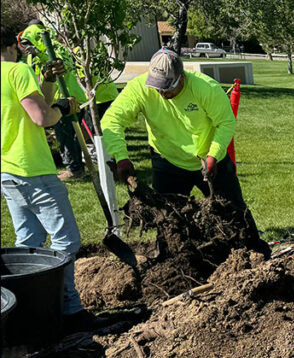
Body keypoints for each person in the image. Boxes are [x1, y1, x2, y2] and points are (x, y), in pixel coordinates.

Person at [2, 20, 103, 332]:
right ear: (12, 47)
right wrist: (62, 108)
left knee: (28, 242)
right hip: (33, 168)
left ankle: (22, 311)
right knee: (67, 240)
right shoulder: (16, 71)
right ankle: (71, 310)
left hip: (7, 170)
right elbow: (42, 117)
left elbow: (27, 108)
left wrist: (45, 80)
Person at [101, 49, 248, 211]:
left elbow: (226, 122)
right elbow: (112, 120)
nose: (162, 92)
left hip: (210, 160)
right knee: (169, 220)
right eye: (157, 87)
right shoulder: (139, 88)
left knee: (235, 213)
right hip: (167, 161)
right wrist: (121, 156)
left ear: (182, 77)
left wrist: (214, 155)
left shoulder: (206, 88)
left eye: (167, 86)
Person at [18, 20, 90, 181]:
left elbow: (64, 65)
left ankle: (75, 170)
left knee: (67, 136)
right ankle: (76, 166)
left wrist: (42, 55)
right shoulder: (32, 55)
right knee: (65, 136)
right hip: (52, 99)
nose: (27, 47)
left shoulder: (56, 48)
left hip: (67, 98)